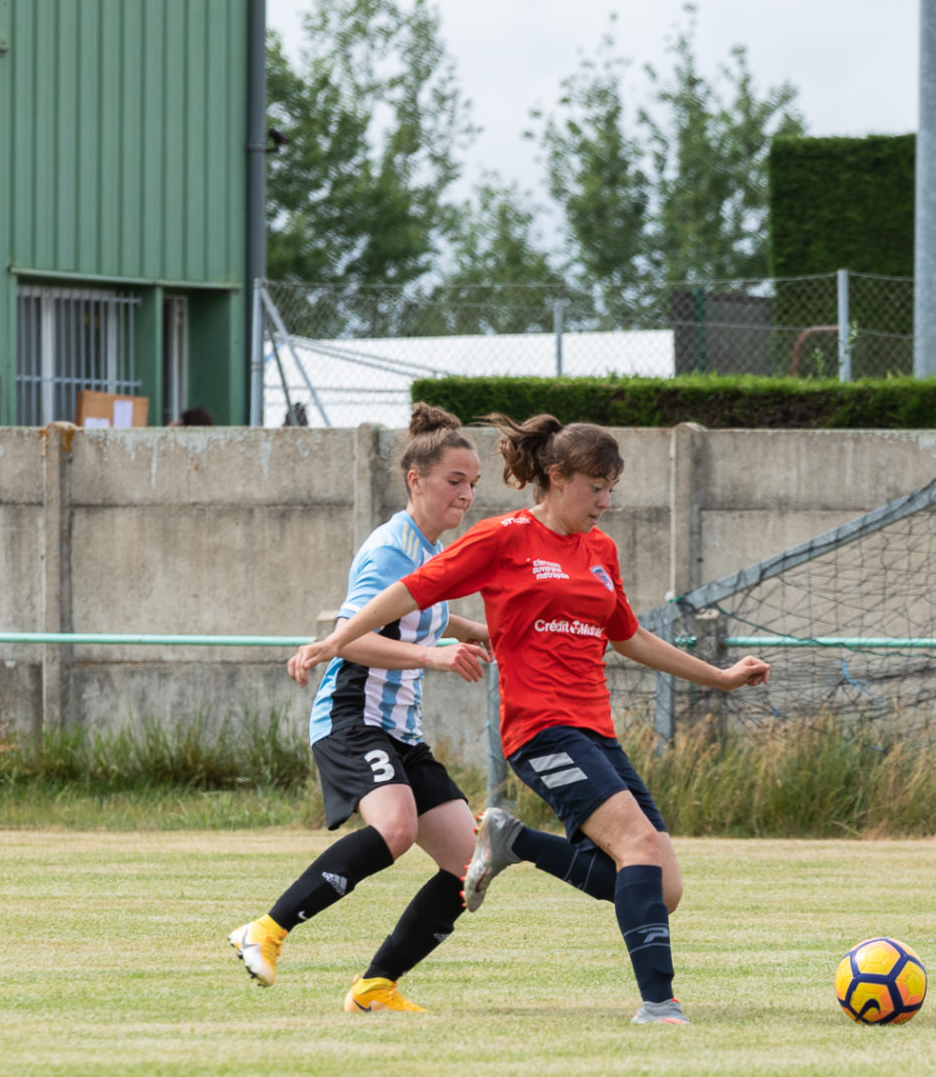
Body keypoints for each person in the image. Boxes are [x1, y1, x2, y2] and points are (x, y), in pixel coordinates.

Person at [292, 414, 769, 1026]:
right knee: (638, 846)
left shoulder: (601, 550)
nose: (605, 502)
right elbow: (410, 591)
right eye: (595, 487)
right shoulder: (503, 537)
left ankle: (516, 841)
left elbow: (630, 637)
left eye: (611, 489)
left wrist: (720, 676)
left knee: (662, 887)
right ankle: (659, 1004)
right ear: (557, 477)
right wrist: (338, 640)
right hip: (540, 729)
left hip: (596, 731)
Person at [230, 404, 497, 1012]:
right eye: (455, 481)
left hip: (400, 730)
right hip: (353, 718)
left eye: (473, 484)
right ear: (416, 480)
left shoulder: (430, 549)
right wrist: (434, 657)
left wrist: (477, 631)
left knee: (470, 863)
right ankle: (265, 931)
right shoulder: (389, 550)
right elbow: (351, 636)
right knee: (395, 829)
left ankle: (376, 986)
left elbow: (420, 612)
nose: (466, 494)